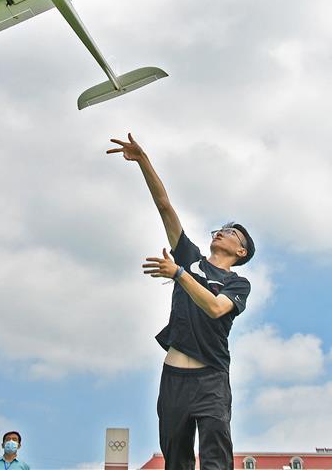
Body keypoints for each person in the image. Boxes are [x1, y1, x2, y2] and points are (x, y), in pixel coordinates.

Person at [108, 133, 255, 470]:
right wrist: (143, 159)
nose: (221, 232)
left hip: (212, 379)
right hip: (173, 379)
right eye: (220, 228)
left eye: (232, 233)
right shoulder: (189, 258)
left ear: (241, 251)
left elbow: (215, 307)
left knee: (216, 462)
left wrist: (178, 275)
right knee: (176, 461)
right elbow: (164, 205)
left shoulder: (238, 283)